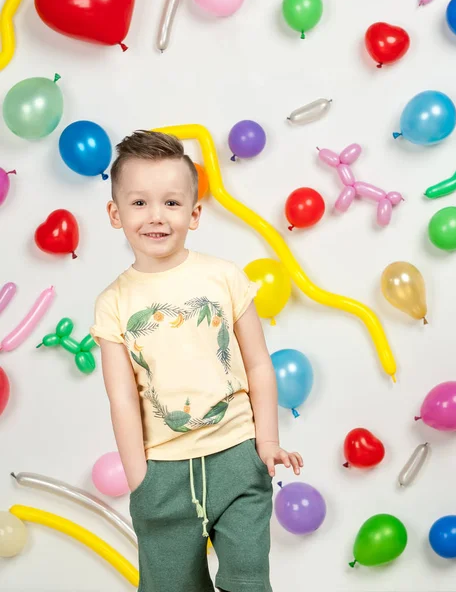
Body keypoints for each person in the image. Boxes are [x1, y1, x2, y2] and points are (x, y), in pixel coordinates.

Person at [90, 130, 303, 592]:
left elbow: (259, 365)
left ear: (195, 212)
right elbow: (122, 398)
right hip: (162, 475)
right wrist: (139, 479)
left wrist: (266, 441)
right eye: (139, 203)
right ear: (115, 213)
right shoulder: (113, 303)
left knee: (248, 583)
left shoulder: (224, 277)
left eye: (171, 202)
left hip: (238, 460)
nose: (156, 216)